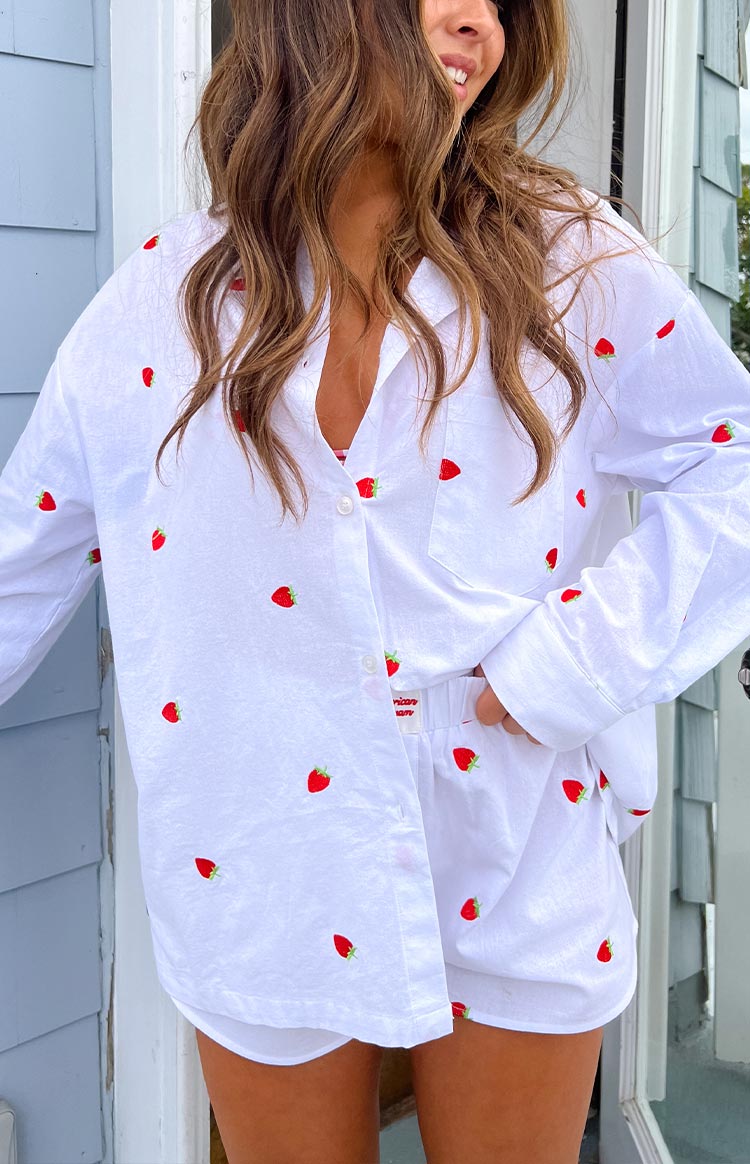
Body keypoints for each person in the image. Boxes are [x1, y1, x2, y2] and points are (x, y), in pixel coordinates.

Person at [2, 0, 750, 1160]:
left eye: (503, 6)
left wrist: (579, 660)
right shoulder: (156, 309)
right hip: (259, 862)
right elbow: (21, 558)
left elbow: (732, 461)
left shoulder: (572, 261)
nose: (480, 24)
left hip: (518, 846)